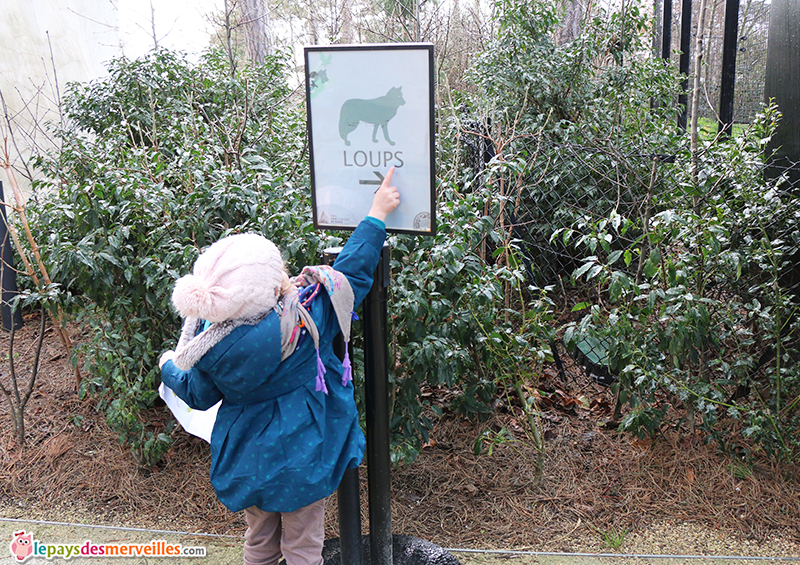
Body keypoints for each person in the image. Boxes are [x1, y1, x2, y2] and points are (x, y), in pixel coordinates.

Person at [159, 168, 400, 565]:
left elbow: (196, 394)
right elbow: (352, 272)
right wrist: (376, 214)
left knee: (259, 543)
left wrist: (168, 364)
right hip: (304, 458)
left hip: (248, 460)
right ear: (270, 287)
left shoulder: (207, 347)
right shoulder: (304, 323)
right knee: (304, 546)